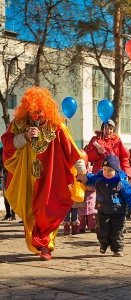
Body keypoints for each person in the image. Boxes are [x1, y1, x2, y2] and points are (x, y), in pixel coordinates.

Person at [1, 86, 86, 261]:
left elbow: (70, 148)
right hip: (27, 177)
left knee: (48, 209)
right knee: (30, 211)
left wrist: (81, 171)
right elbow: (7, 142)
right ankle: (38, 243)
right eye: (32, 111)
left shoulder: (56, 125)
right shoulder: (19, 123)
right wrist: (24, 136)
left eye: (39, 111)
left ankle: (47, 246)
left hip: (51, 177)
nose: (35, 116)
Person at [84, 154, 131, 257]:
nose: (107, 172)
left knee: (117, 230)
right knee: (102, 230)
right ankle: (104, 244)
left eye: (110, 170)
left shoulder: (121, 182)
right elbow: (89, 179)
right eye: (104, 169)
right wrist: (82, 177)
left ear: (116, 169)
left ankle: (117, 248)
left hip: (118, 211)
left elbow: (130, 194)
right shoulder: (99, 179)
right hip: (102, 210)